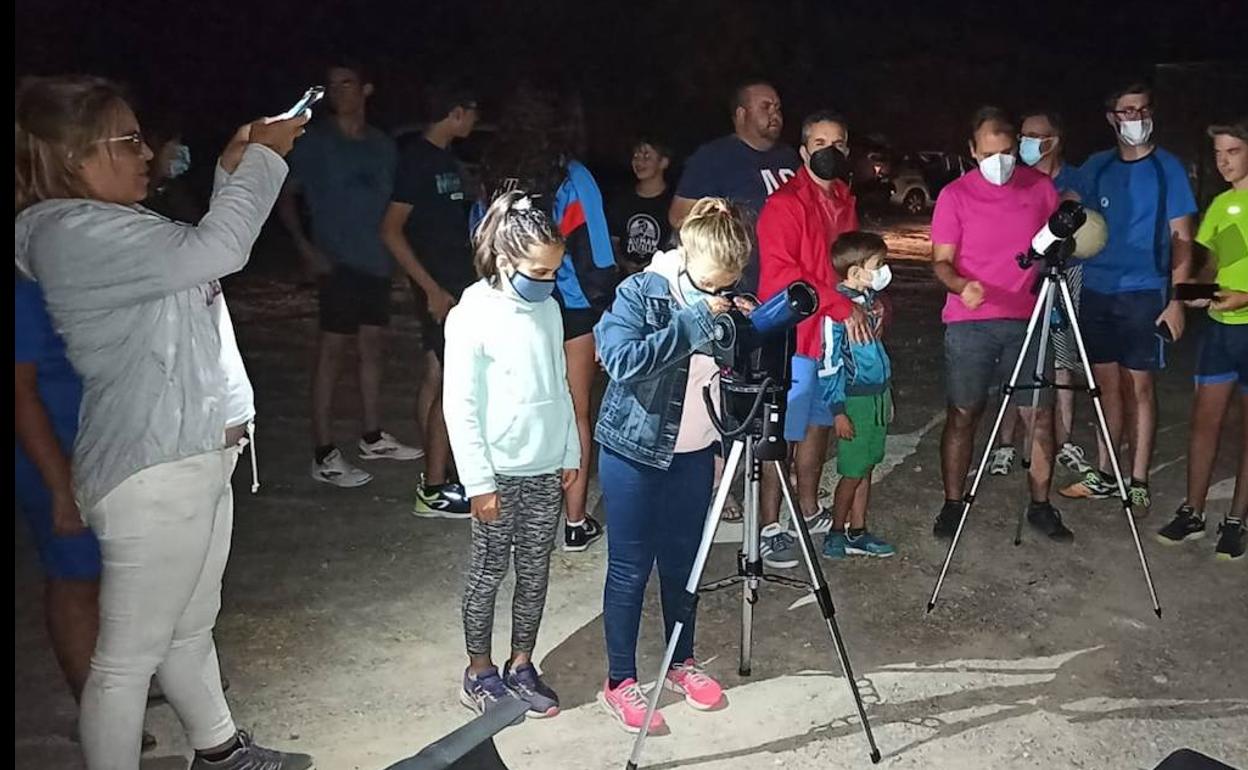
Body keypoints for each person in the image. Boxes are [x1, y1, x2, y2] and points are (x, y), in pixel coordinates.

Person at [15, 75, 310, 769]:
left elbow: (203, 248)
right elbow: (221, 251)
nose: (146, 151)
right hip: (152, 468)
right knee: (126, 659)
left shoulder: (109, 225)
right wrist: (265, 161)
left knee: (188, 629)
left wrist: (232, 164)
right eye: (127, 140)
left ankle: (219, 750)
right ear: (72, 157)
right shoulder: (69, 231)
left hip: (191, 453)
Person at [595, 198, 753, 733]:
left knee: (684, 567)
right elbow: (620, 361)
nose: (717, 294)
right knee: (630, 569)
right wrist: (691, 324)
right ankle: (620, 682)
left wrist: (746, 331)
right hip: (633, 451)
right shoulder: (640, 292)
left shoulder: (724, 299)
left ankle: (680, 662)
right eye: (709, 283)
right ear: (684, 253)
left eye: (726, 285)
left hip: (693, 453)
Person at [443, 191, 580, 720]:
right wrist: (478, 481)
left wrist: (568, 448)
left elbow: (560, 383)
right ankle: (479, 671)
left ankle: (522, 662)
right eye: (539, 270)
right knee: (488, 571)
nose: (547, 281)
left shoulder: (547, 309)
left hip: (544, 467)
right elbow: (461, 403)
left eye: (554, 271)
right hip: (498, 471)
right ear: (505, 260)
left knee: (535, 569)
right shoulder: (471, 315)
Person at [480, 85, 616, 552]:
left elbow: (477, 242)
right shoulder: (572, 175)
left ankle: (515, 521)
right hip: (570, 307)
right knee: (575, 411)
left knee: (516, 407)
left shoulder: (491, 178)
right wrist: (603, 312)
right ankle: (574, 523)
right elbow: (595, 251)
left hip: (509, 305)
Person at [929, 107, 1072, 543]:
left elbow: (1054, 244)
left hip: (1027, 320)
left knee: (1039, 415)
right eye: (989, 153)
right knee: (963, 412)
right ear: (972, 151)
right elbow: (941, 262)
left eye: (1007, 152)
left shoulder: (1040, 187)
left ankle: (1041, 505)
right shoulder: (954, 196)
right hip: (969, 322)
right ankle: (954, 502)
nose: (1000, 161)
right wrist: (961, 285)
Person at [279, 60, 422, 489]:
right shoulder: (316, 143)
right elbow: (286, 198)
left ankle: (372, 435)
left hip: (375, 260)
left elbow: (393, 207)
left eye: (347, 83)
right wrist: (306, 248)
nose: (339, 92)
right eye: (332, 86)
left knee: (373, 348)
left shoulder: (381, 145)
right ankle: (323, 452)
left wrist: (399, 257)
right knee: (331, 353)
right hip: (336, 261)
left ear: (367, 89)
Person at [1059, 83, 1198, 513]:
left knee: (1140, 387)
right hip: (1098, 289)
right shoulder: (1097, 166)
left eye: (1141, 110)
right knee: (1105, 386)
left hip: (1145, 292)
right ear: (1111, 118)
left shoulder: (1167, 168)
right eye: (1126, 111)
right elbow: (1064, 192)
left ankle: (1137, 479)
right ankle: (1104, 472)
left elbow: (1183, 238)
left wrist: (1177, 299)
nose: (1135, 118)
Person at [756, 109, 870, 568]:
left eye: (837, 143)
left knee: (818, 428)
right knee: (780, 435)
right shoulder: (784, 205)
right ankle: (769, 525)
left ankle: (806, 508)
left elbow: (854, 263)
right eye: (819, 142)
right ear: (803, 152)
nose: (829, 151)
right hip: (795, 338)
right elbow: (783, 278)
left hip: (831, 342)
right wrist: (842, 304)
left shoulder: (844, 198)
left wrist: (869, 302)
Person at [381, 83, 480, 517]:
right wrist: (431, 289)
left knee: (435, 376)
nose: (475, 121)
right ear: (455, 112)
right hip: (441, 291)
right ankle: (436, 487)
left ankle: (436, 472)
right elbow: (390, 229)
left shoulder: (446, 161)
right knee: (452, 387)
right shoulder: (417, 160)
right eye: (472, 111)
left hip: (453, 285)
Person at [1156, 118, 1247, 561]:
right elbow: (1217, 265)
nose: (1223, 161)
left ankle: (1236, 520)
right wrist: (1195, 292)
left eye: (1232, 151)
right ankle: (1192, 512)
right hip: (1220, 332)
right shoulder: (1224, 206)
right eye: (1218, 153)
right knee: (1203, 422)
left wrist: (1245, 298)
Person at [991, 109, 1095, 478]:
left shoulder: (1076, 179)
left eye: (1036, 135)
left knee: (1063, 359)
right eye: (1023, 135)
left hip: (1066, 274)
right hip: (1022, 279)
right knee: (1017, 360)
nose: (1026, 143)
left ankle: (1063, 440)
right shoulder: (1017, 178)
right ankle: (1005, 444)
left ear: (1055, 140)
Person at [669, 78, 800, 292]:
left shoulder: (788, 158)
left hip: (788, 281)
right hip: (740, 287)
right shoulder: (713, 157)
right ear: (741, 114)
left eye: (777, 107)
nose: (774, 114)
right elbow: (679, 218)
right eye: (765, 107)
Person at [817, 232, 897, 558]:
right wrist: (838, 410)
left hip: (877, 396)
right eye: (878, 265)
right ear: (854, 272)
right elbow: (829, 363)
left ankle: (858, 530)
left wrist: (887, 396)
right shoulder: (839, 313)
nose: (883, 270)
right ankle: (837, 531)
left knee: (866, 467)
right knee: (851, 472)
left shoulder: (866, 303)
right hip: (855, 400)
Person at [609, 137, 674, 274]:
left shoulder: (674, 202)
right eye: (636, 156)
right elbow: (613, 240)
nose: (639, 161)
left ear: (663, 162)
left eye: (646, 156)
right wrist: (624, 263)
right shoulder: (622, 199)